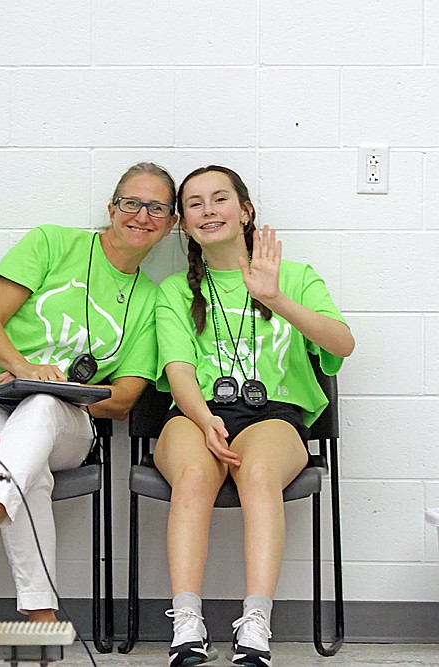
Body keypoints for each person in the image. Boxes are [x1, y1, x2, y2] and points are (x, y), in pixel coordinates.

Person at [0, 162, 177, 621]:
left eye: (157, 208)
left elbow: (124, 399)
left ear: (169, 225)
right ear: (112, 208)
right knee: (31, 473)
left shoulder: (150, 298)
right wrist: (23, 367)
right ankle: (41, 615)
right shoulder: (50, 242)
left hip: (65, 419)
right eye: (131, 202)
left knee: (43, 406)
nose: (141, 215)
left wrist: (58, 388)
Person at [154, 165, 354, 666]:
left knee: (259, 472)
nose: (208, 211)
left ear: (245, 211)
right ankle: (187, 621)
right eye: (194, 204)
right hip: (197, 413)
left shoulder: (295, 277)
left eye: (220, 199)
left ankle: (256, 620)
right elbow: (178, 371)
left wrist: (276, 298)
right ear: (184, 224)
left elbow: (342, 345)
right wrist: (203, 420)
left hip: (275, 417)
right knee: (196, 473)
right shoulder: (175, 290)